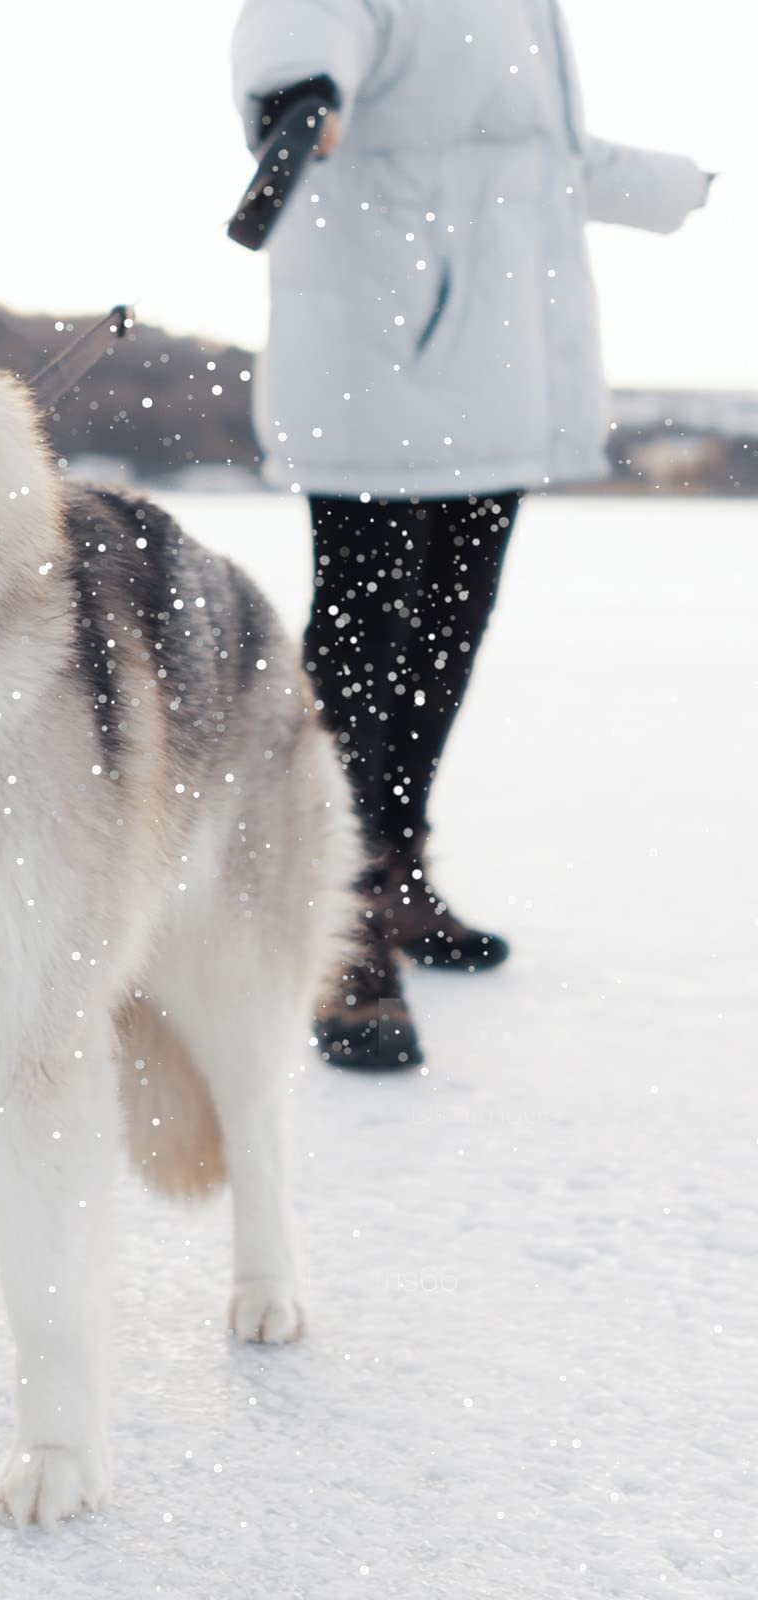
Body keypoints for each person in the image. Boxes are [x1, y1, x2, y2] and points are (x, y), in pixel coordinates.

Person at [231, 0, 713, 1068]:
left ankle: (392, 864)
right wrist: (298, 97)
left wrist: (684, 187)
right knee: (367, 640)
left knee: (448, 628)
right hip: (384, 354)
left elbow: (547, 160)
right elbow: (300, 36)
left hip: (496, 373)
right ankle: (333, 912)